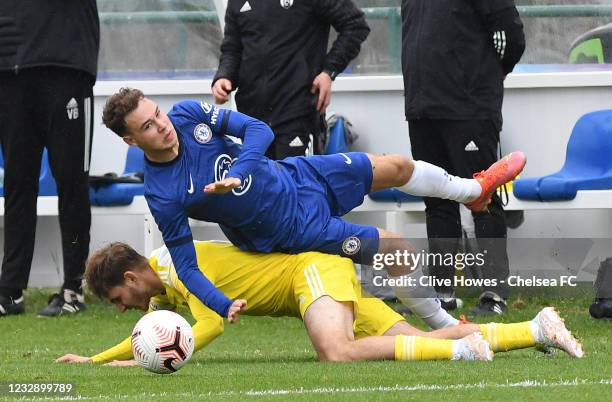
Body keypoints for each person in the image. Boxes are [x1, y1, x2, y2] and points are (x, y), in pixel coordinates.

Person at [101, 88, 526, 329]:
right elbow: (186, 265)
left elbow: (258, 129)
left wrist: (242, 169)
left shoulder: (188, 113)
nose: (163, 127)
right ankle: (449, 328)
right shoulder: (161, 193)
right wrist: (221, 302)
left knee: (395, 166)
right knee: (398, 248)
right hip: (292, 229)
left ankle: (474, 189)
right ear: (130, 141)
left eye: (157, 114)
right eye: (148, 127)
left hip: (297, 174)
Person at [56, 241, 583, 365]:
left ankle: (461, 351)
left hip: (314, 273)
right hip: (320, 275)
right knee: (413, 342)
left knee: (337, 351)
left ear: (129, 277)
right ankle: (536, 329)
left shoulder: (174, 266)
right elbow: (150, 339)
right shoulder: (162, 287)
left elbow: (206, 326)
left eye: (118, 299)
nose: (124, 310)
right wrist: (98, 360)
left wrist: (121, 359)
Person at [401, 0, 526, 315]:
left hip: (469, 110)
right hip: (422, 110)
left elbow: (512, 36)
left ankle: (494, 293)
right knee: (437, 203)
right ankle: (442, 293)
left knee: (482, 197)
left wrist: (484, 77)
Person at [0, 0, 100, 317]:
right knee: (17, 183)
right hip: (12, 73)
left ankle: (73, 287)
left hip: (68, 70)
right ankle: (10, 291)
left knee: (71, 184)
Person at [212, 0, 370, 159]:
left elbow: (355, 25)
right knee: (257, 182)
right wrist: (224, 76)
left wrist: (329, 72)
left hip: (297, 112)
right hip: (252, 118)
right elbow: (232, 48)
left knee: (297, 180)